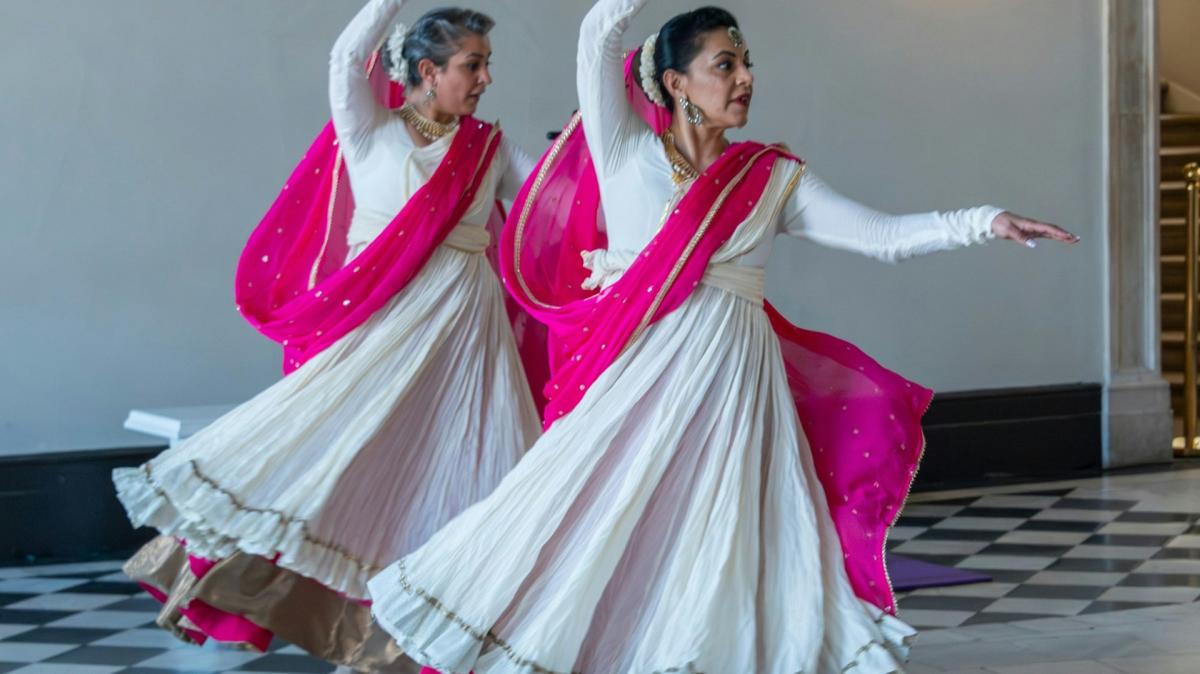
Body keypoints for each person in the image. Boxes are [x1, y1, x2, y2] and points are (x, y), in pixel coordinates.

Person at [365, 1, 1078, 673]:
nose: (745, 79)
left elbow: (880, 237)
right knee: (599, 527)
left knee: (723, 539)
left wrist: (985, 220)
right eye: (725, 65)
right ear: (676, 83)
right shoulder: (623, 156)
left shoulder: (772, 178)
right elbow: (598, 31)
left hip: (736, 387)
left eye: (747, 64)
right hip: (640, 386)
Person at [112, 1, 540, 670]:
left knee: (469, 482)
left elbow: (554, 193)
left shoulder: (486, 148)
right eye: (473, 65)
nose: (486, 79)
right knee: (332, 465)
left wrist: (593, 144)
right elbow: (346, 59)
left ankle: (439, 647)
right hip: (382, 339)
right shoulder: (371, 132)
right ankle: (223, 591)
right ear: (428, 70)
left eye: (486, 65)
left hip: (467, 345)